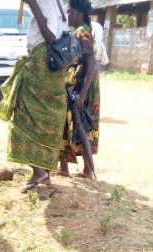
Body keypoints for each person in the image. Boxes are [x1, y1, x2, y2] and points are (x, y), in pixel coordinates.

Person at [0, 0, 68, 192]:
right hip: (53, 65)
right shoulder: (58, 4)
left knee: (22, 116)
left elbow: (50, 36)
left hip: (42, 65)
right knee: (46, 122)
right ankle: (45, 174)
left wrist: (34, 4)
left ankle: (38, 172)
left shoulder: (44, 2)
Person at [58, 0, 98, 179]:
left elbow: (91, 64)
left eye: (69, 11)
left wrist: (82, 95)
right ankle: (72, 168)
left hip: (83, 85)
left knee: (78, 122)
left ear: (78, 12)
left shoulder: (83, 32)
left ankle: (83, 169)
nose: (67, 15)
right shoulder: (77, 31)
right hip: (77, 81)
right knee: (75, 122)